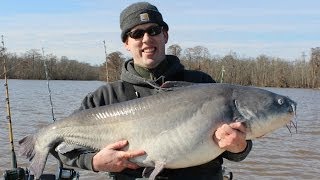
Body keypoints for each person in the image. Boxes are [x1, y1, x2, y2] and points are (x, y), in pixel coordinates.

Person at [55, 2, 252, 179]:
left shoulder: (203, 85)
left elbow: (238, 148)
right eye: (137, 34)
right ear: (126, 43)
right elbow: (60, 146)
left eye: (154, 30)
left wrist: (239, 147)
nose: (147, 39)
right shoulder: (105, 97)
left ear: (165, 35)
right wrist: (94, 162)